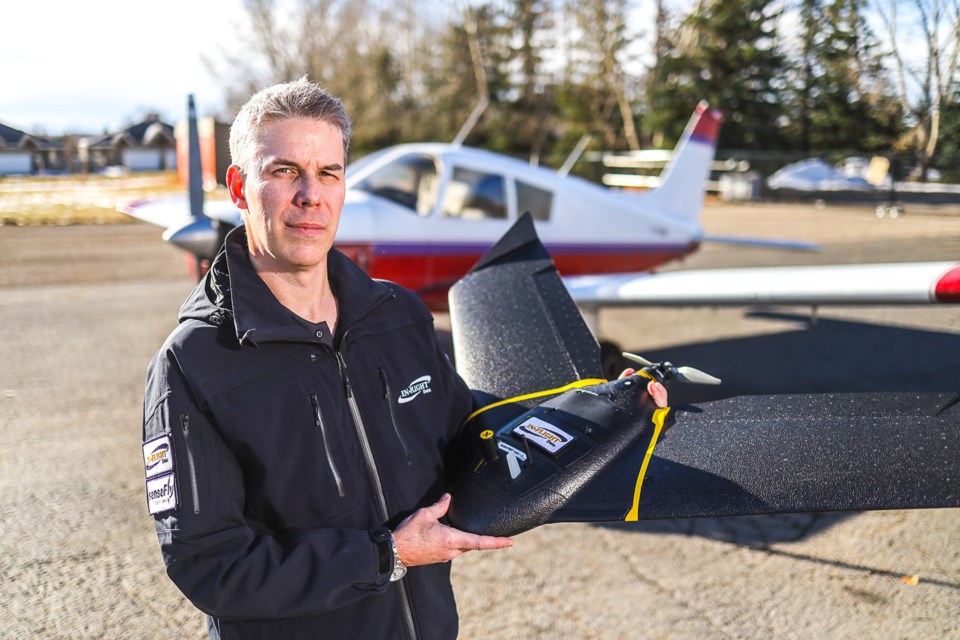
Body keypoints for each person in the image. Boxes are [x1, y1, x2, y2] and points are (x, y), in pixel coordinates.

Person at [142, 77, 666, 639]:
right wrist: (386, 555)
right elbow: (212, 566)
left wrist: (602, 409)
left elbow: (469, 438)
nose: (310, 195)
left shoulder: (398, 316)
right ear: (240, 188)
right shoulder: (191, 366)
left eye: (329, 172)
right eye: (284, 171)